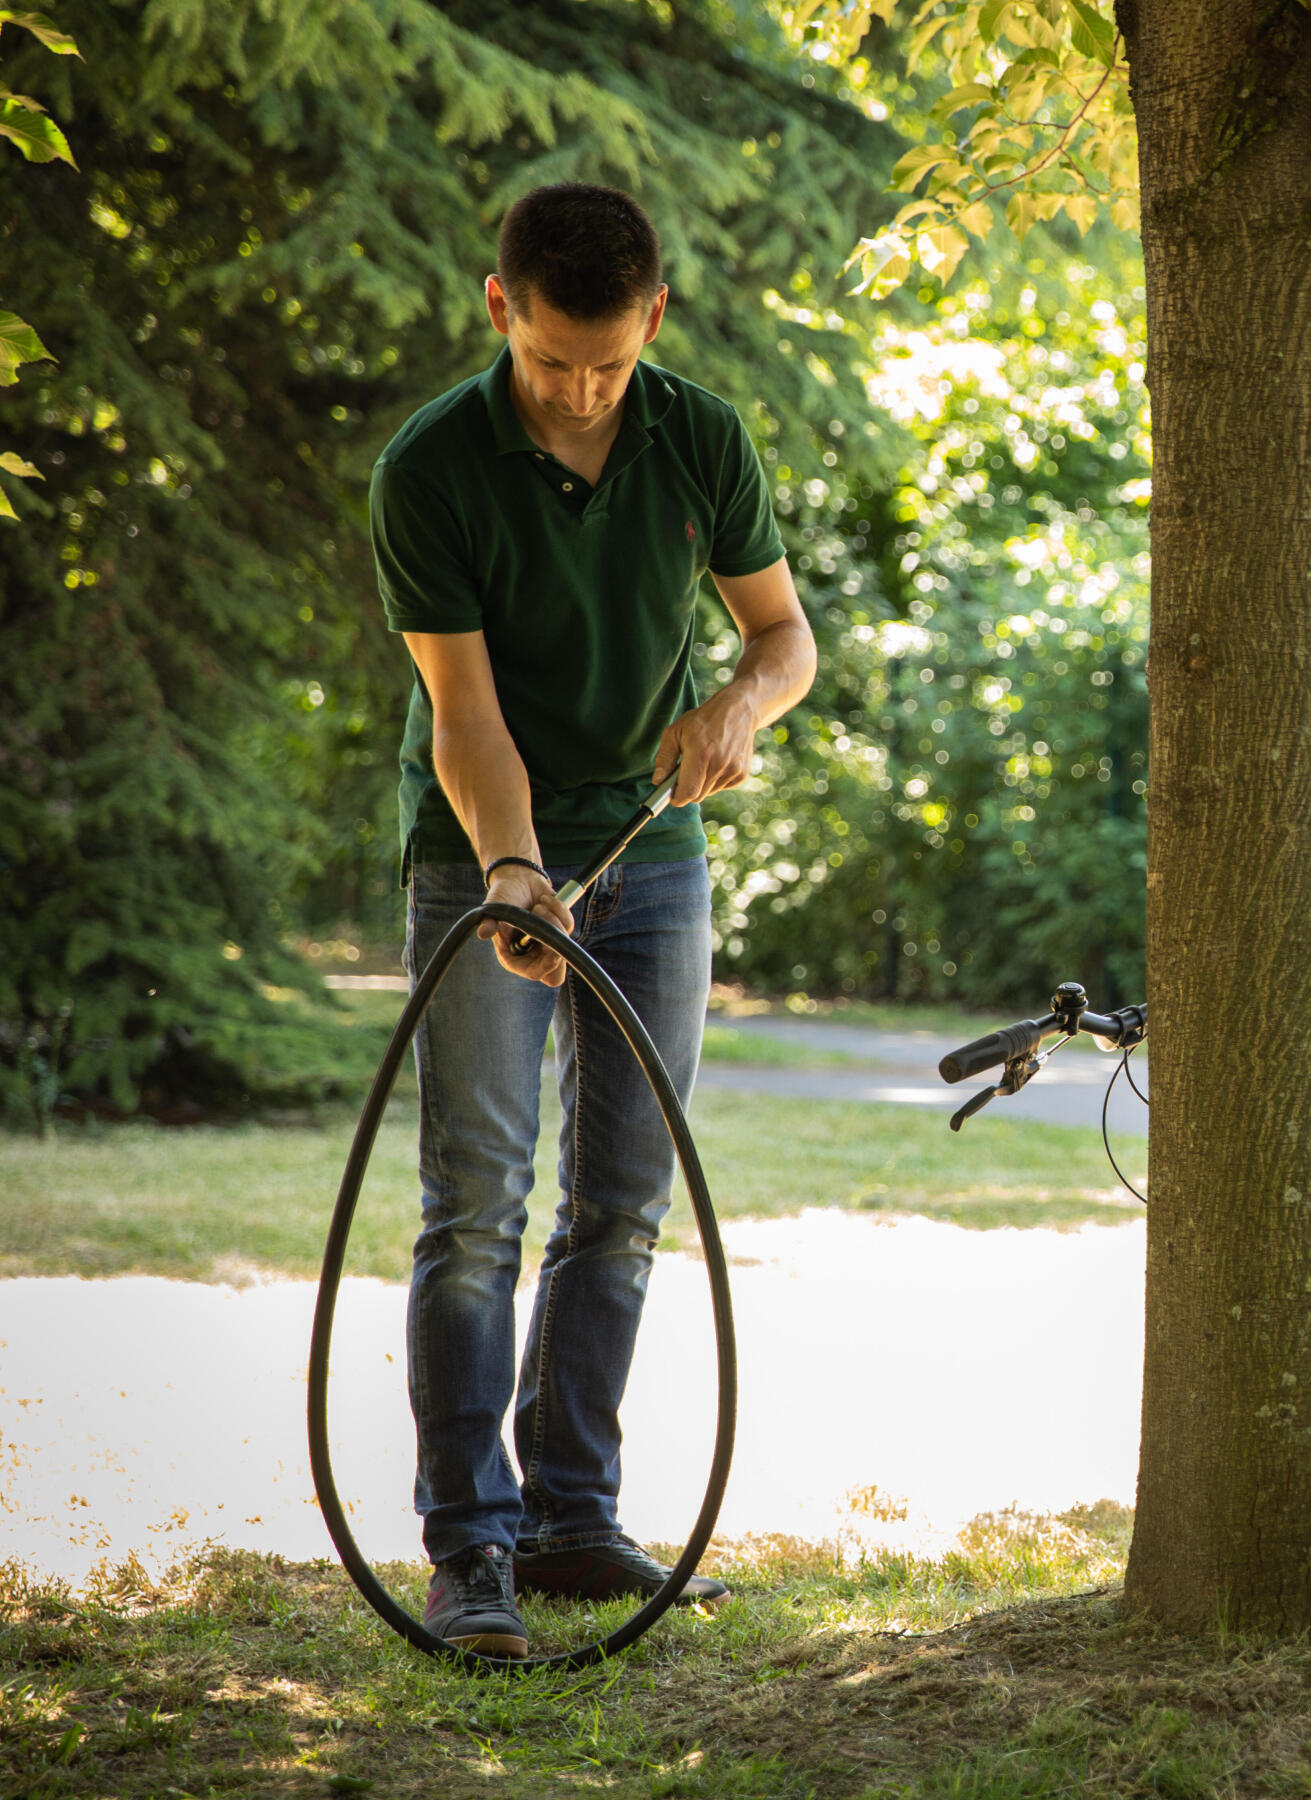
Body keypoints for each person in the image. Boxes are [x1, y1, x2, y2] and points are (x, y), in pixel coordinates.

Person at [368, 183, 816, 1657]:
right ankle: (470, 1551)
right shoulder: (431, 467)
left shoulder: (701, 436)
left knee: (623, 1204)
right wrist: (512, 870)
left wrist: (740, 704)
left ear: (655, 321)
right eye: (555, 359)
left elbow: (783, 635)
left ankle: (572, 1518)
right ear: (500, 307)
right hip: (485, 861)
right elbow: (465, 714)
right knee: (478, 1212)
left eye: (609, 365)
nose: (579, 392)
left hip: (656, 855)